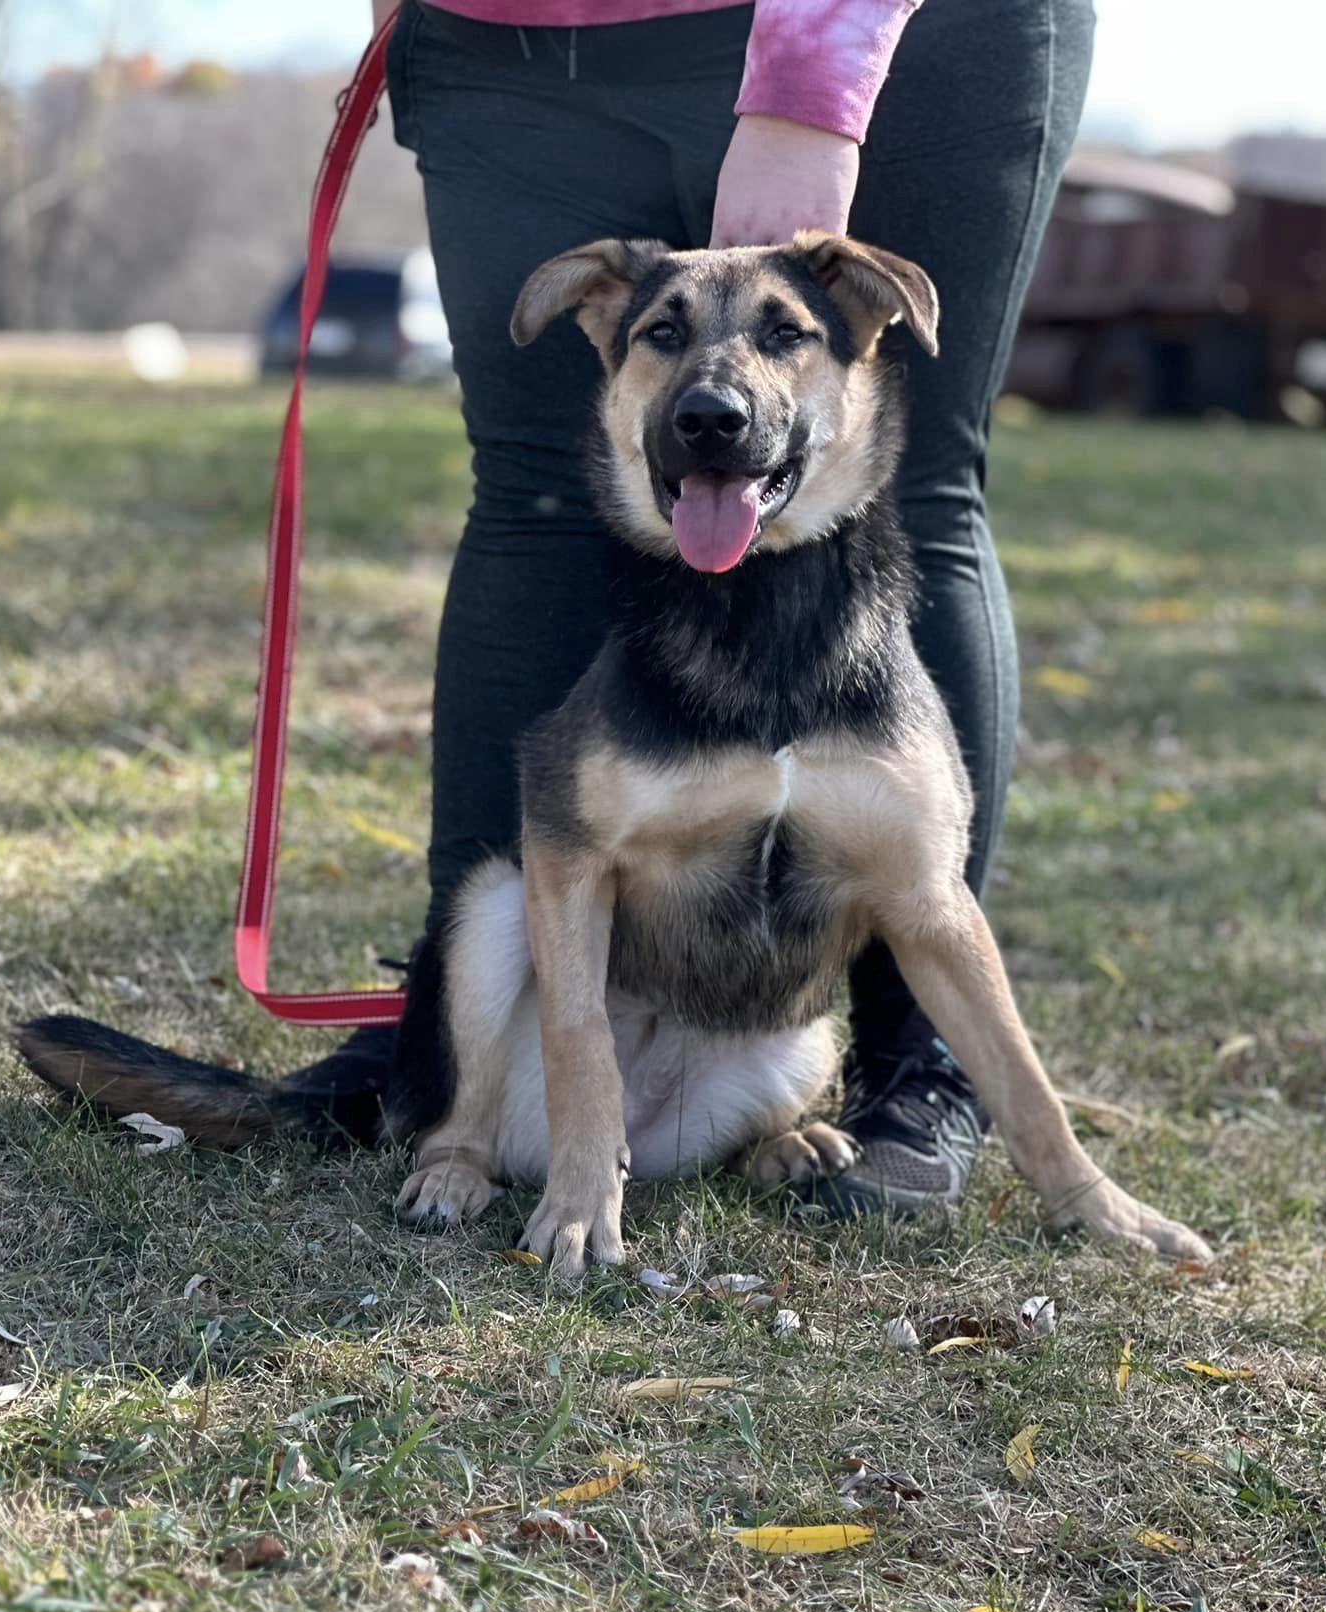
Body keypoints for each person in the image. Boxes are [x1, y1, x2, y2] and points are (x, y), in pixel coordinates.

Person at [372, 0, 1094, 1212]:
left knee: (936, 495)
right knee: (522, 499)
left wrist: (814, 69)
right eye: (665, 340)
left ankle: (916, 1073)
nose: (717, 389)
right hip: (498, 41)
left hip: (861, 30)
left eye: (780, 340)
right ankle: (448, 1066)